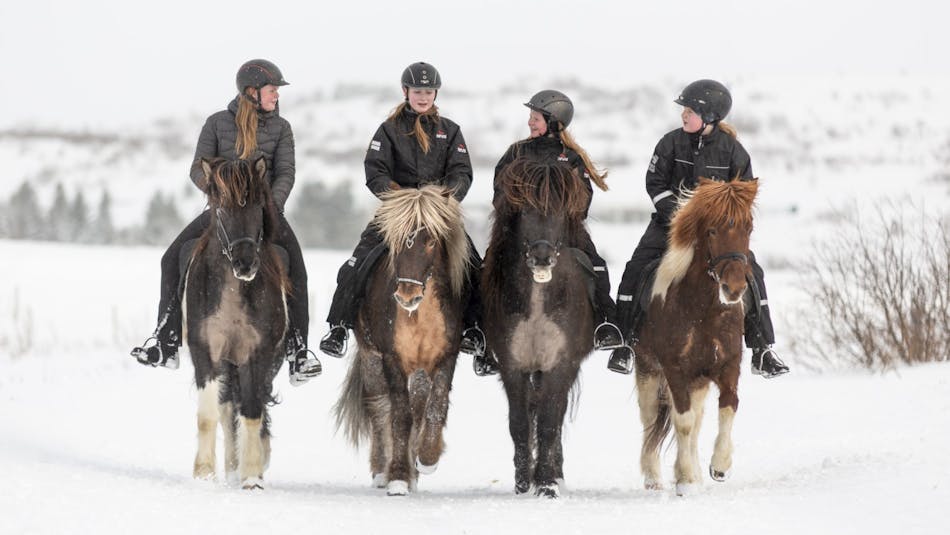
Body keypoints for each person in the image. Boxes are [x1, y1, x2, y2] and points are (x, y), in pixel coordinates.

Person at [130, 59, 323, 386]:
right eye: (272, 89)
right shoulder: (217, 123)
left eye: (277, 90)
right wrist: (222, 195)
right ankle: (167, 340)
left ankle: (298, 350)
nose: (277, 95)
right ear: (252, 92)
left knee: (297, 267)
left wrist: (269, 207)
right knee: (171, 258)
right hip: (224, 213)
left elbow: (286, 172)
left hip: (267, 213)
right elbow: (196, 168)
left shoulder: (282, 128)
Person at [608, 79, 790, 378]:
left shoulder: (734, 152)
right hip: (669, 225)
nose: (683, 115)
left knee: (752, 272)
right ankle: (624, 342)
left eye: (689, 111)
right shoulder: (670, 143)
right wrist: (679, 215)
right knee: (636, 266)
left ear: (709, 117)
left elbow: (742, 198)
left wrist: (722, 222)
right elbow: (654, 184)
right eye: (683, 110)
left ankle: (763, 349)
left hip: (718, 234)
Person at [318, 62, 485, 368]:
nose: (423, 97)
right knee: (359, 260)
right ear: (406, 92)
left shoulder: (450, 131)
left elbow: (462, 172)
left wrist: (445, 198)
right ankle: (338, 327)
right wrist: (397, 196)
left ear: (435, 94)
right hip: (398, 213)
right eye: (418, 91)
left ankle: (476, 332)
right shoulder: (389, 130)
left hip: (437, 215)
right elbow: (375, 170)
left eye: (429, 91)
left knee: (473, 263)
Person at [481, 89, 626, 376]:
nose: (530, 123)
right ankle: (479, 334)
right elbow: (498, 193)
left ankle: (605, 324)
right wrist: (521, 213)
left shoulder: (571, 158)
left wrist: (559, 217)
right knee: (486, 265)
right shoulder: (516, 153)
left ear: (554, 121)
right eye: (530, 117)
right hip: (519, 230)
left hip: (564, 232)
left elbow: (583, 202)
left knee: (596, 265)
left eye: (535, 118)